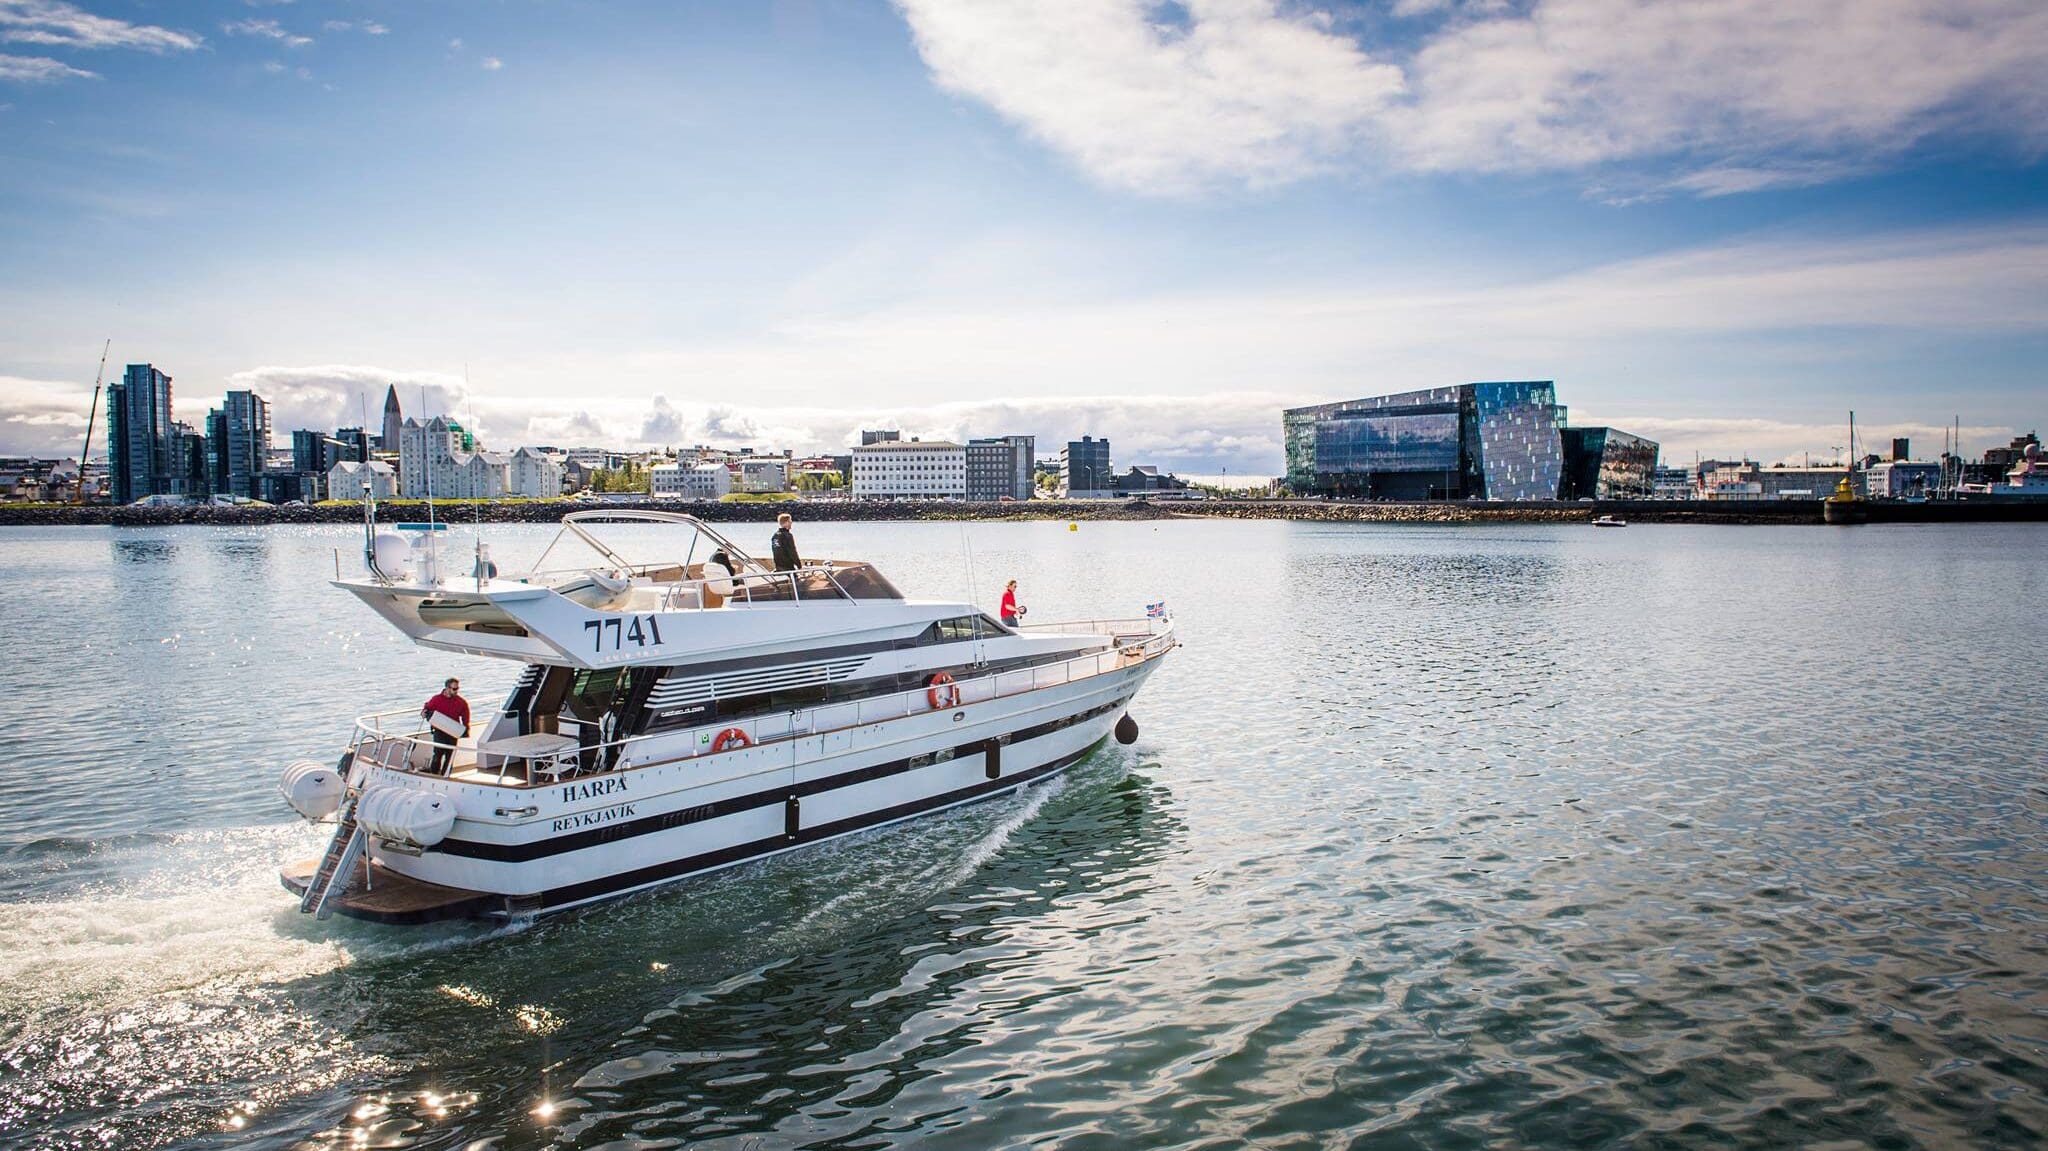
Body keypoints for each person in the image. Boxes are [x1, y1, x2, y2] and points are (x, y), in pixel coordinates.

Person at [420, 677, 470, 775]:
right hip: (439, 731)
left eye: (457, 688)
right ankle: (433, 775)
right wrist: (423, 712)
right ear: (447, 688)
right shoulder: (436, 699)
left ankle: (446, 776)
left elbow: (465, 717)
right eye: (454, 689)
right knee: (437, 754)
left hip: (453, 731)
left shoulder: (461, 702)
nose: (456, 691)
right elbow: (427, 707)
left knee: (450, 756)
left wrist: (465, 730)